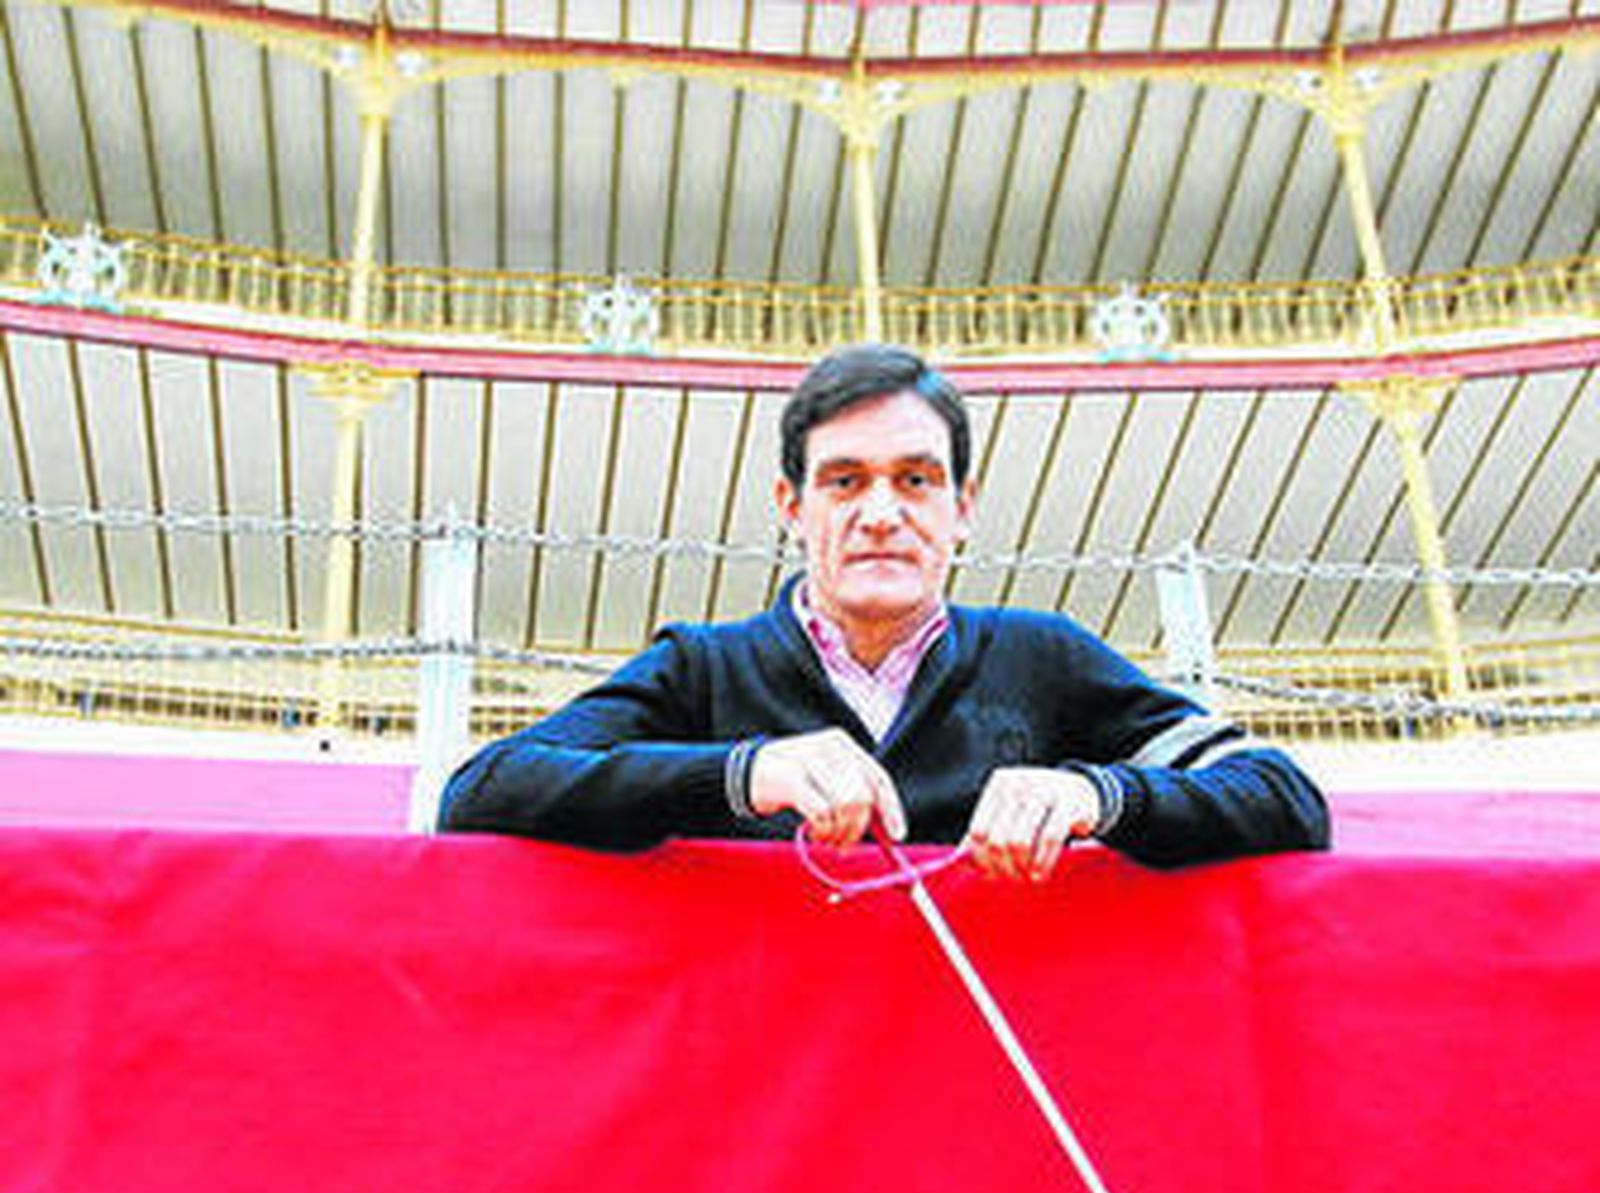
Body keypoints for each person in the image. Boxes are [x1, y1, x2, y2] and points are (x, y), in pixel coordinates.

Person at [439, 345, 1329, 877]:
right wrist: (742, 774)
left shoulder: (1045, 659)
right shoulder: (704, 668)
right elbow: (479, 794)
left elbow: (1287, 799)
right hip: (764, 1111)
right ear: (792, 507)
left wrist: (1097, 793)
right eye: (844, 481)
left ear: (962, 507)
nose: (879, 512)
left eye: (915, 479)